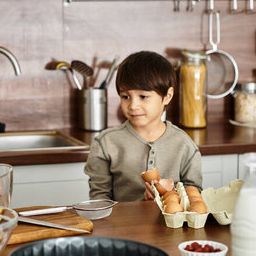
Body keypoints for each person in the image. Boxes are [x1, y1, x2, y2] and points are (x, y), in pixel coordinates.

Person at [84, 51, 202, 202]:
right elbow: (99, 199)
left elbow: (194, 195)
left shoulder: (184, 145)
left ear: (168, 96)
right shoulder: (105, 143)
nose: (133, 105)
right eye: (125, 96)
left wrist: (170, 199)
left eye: (143, 97)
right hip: (121, 225)